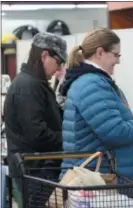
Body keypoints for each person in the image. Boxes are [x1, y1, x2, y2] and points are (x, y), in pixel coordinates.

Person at [59, 28, 133, 200]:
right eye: (116, 55)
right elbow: (115, 132)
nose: (117, 62)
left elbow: (108, 135)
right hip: (99, 183)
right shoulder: (91, 85)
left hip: (102, 180)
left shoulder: (98, 83)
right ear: (100, 52)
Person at [3, 32, 67, 207]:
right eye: (59, 61)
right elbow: (37, 134)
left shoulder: (34, 83)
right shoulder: (28, 87)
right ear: (45, 55)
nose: (59, 68)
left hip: (37, 168)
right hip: (35, 170)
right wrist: (68, 140)